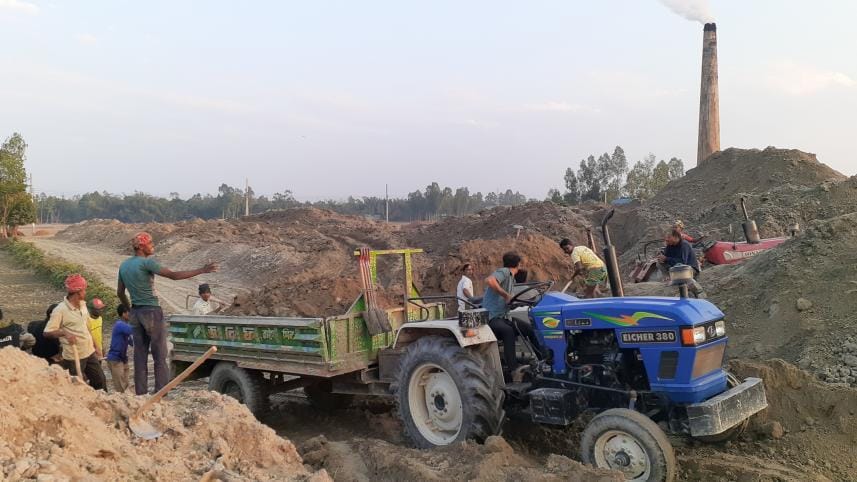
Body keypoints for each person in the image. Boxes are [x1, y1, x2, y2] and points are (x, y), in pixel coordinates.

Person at [117, 232, 218, 395]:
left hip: (135, 312)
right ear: (142, 247)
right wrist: (202, 270)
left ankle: (141, 395)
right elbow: (173, 276)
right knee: (159, 356)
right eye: (150, 243)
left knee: (140, 357)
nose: (153, 246)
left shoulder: (124, 266)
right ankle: (161, 394)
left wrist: (130, 309)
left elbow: (120, 293)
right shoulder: (146, 263)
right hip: (151, 312)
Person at [483, 252, 542, 383]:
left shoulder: (511, 280)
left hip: (503, 316)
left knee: (527, 328)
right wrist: (506, 296)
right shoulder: (504, 272)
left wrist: (514, 302)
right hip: (491, 317)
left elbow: (508, 302)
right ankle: (514, 369)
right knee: (507, 331)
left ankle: (543, 360)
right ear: (518, 264)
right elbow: (490, 280)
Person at [44, 274, 106, 390]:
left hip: (89, 352)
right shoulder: (60, 310)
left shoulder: (83, 305)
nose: (85, 293)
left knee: (100, 381)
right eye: (84, 290)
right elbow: (47, 332)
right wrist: (64, 333)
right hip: (74, 357)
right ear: (78, 292)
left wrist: (96, 346)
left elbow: (86, 327)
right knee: (77, 386)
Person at [657, 229, 706, 298]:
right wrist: (662, 258)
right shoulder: (669, 246)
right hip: (676, 269)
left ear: (676, 237)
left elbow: (683, 262)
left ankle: (697, 291)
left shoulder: (684, 245)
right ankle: (669, 277)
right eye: (666, 238)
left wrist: (666, 259)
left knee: (680, 267)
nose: (666, 239)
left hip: (689, 268)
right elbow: (667, 258)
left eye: (669, 237)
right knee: (659, 264)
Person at [106, 305, 134, 392]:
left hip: (122, 359)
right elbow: (134, 330)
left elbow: (131, 342)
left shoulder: (124, 325)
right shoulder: (120, 325)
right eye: (129, 313)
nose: (131, 315)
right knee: (120, 388)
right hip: (115, 360)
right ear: (123, 314)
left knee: (126, 385)